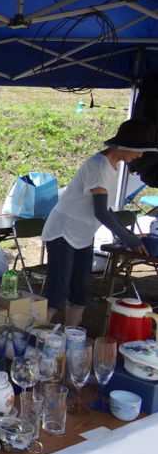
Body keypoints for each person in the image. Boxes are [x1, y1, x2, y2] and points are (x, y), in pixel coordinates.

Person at [42, 119, 154, 326]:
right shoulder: (98, 166)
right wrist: (127, 237)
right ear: (123, 146)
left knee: (80, 290)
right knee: (57, 291)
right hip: (63, 231)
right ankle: (35, 337)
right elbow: (101, 212)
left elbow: (107, 209)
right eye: (138, 150)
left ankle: (71, 334)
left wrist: (126, 233)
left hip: (83, 233)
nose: (140, 155)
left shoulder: (113, 167)